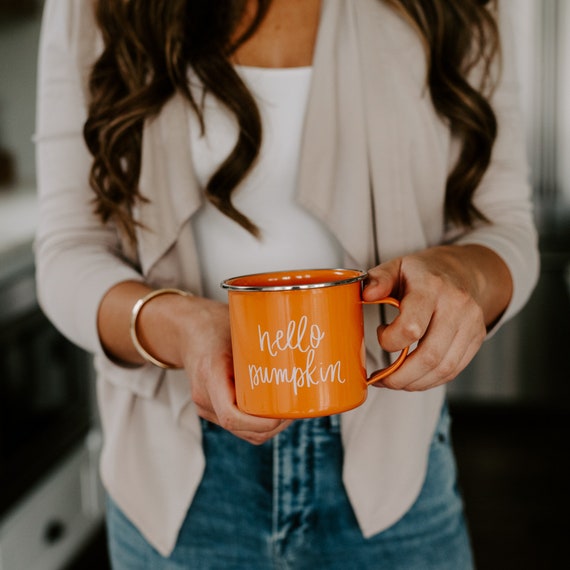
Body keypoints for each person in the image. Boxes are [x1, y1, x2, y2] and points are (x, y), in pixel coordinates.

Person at [34, 0, 538, 568]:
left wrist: (461, 273)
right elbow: (67, 250)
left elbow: (505, 226)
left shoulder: (461, 9)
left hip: (394, 469)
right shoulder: (92, 9)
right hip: (174, 481)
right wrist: (181, 327)